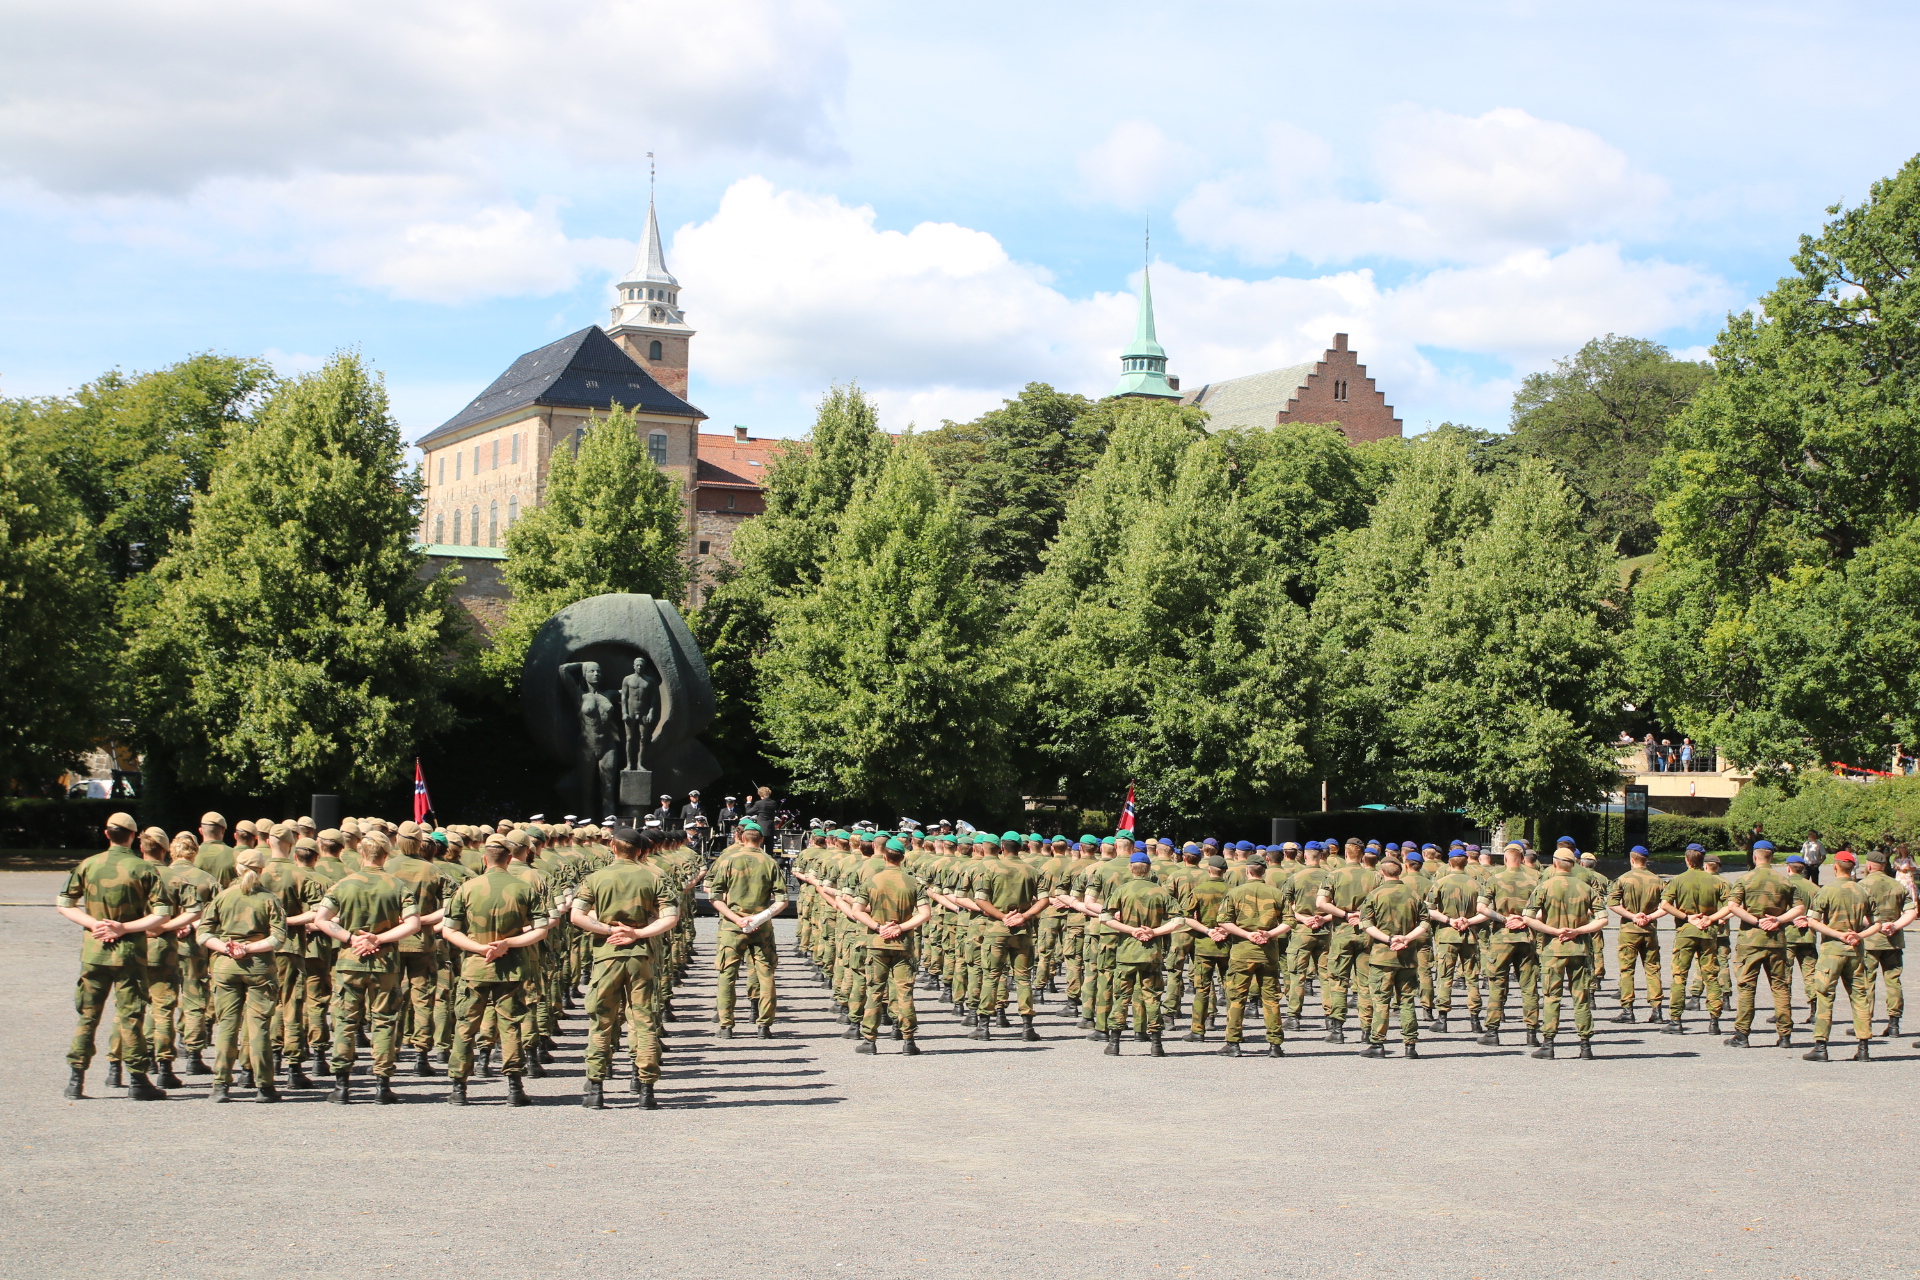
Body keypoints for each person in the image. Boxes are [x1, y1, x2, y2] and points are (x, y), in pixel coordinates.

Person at [56, 812, 177, 1101]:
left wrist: (94, 924)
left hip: (95, 952)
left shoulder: (88, 865)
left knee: (88, 1015)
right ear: (134, 836)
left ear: (106, 834)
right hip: (130, 955)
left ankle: (76, 1079)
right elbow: (162, 914)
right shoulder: (143, 869)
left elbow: (64, 904)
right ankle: (137, 1079)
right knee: (131, 1015)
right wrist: (124, 927)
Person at [571, 828, 679, 1110]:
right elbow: (671, 917)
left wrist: (608, 929)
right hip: (641, 956)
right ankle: (645, 1088)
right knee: (642, 1020)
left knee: (601, 1021)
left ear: (612, 847)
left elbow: (576, 915)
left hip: (606, 955)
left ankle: (595, 1087)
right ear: (640, 850)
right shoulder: (655, 876)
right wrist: (638, 934)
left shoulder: (595, 878)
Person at [312, 831, 421, 1104]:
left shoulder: (343, 885)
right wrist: (379, 939)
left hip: (350, 961)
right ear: (387, 854)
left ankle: (341, 1086)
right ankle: (382, 1086)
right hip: (385, 964)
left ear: (361, 853)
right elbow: (413, 924)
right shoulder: (397, 886)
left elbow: (321, 919)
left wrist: (351, 938)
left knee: (346, 1021)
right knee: (384, 1022)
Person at [441, 837, 550, 1106]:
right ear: (510, 859)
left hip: (475, 969)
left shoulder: (467, 888)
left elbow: (449, 930)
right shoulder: (524, 888)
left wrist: (478, 949)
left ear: (485, 859)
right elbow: (542, 929)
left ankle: (459, 1087)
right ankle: (514, 1087)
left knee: (466, 1026)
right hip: (511, 968)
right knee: (511, 1025)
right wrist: (508, 943)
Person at [197, 847, 287, 1102]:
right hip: (259, 967)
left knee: (227, 1024)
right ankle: (264, 1086)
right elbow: (278, 938)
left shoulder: (223, 897)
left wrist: (227, 947)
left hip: (225, 966)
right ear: (261, 871)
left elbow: (203, 934)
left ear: (237, 869)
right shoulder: (269, 899)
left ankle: (220, 1085)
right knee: (258, 1026)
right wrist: (249, 948)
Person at [846, 837, 933, 1053]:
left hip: (877, 943)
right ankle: (908, 1041)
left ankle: (870, 1040)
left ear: (884, 856)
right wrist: (901, 928)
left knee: (875, 990)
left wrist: (878, 927)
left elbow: (857, 911)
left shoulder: (871, 881)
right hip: (903, 945)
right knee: (904, 991)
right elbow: (925, 914)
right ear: (903, 858)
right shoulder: (914, 883)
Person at [1098, 849, 1185, 1055]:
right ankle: (1156, 1044)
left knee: (1121, 996)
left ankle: (1114, 1043)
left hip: (1127, 952)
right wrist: (1154, 932)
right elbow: (1179, 920)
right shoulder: (1160, 891)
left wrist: (1131, 930)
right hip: (1151, 953)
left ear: (1131, 868)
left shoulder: (1122, 890)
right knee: (1152, 997)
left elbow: (1104, 918)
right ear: (1148, 870)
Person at [708, 819, 786, 1039]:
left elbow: (714, 896)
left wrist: (737, 918)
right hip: (761, 928)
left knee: (727, 976)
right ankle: (764, 1026)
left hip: (732, 927)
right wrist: (758, 918)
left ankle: (726, 1026)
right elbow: (782, 900)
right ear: (761, 840)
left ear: (742, 838)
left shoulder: (728, 860)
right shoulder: (770, 862)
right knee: (766, 974)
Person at [1723, 840, 1805, 1048]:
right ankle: (1785, 1035)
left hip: (1750, 941)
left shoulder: (1745, 879)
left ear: (1754, 856)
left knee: (1747, 987)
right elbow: (1799, 909)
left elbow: (1733, 905)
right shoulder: (1784, 881)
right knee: (1780, 987)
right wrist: (1778, 920)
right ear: (1772, 857)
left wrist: (1756, 921)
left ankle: (1742, 1035)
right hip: (1776, 940)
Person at [1801, 849, 1876, 1061]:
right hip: (1855, 950)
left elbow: (1813, 921)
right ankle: (1863, 1048)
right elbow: (1877, 923)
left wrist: (1839, 935)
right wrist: (1858, 936)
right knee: (1860, 996)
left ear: (1835, 867)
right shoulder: (1863, 891)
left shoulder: (1826, 891)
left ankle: (1821, 1046)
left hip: (1832, 950)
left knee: (1825, 995)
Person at [972, 831, 1046, 1042]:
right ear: (1021, 848)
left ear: (1002, 848)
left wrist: (1004, 917)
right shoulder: (1032, 871)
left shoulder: (992, 869)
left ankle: (984, 1026)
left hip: (996, 931)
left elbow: (980, 900)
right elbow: (1044, 900)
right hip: (1022, 931)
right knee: (1023, 978)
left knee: (991, 976)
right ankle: (1027, 1027)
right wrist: (1024, 915)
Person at [1211, 857, 1287, 1057]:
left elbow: (1223, 921)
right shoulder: (1276, 893)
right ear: (1264, 872)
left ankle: (1233, 1043)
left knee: (1237, 998)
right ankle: (1275, 1044)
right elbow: (1290, 921)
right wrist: (1269, 934)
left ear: (1247, 871)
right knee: (1271, 999)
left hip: (1243, 952)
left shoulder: (1235, 893)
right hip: (1268, 952)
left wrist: (1246, 934)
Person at [1357, 857, 1428, 1058]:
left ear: (1381, 873)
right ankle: (1410, 1045)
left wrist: (1389, 939)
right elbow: (1425, 923)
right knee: (1407, 1000)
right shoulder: (1413, 894)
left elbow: (1366, 925)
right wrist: (1406, 938)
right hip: (1407, 957)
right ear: (1401, 872)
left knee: (1380, 1000)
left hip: (1382, 957)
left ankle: (1377, 1044)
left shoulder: (1374, 895)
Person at [1475, 842, 1541, 1048]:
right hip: (1526, 937)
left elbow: (1481, 908)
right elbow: (1543, 910)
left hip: (1501, 938)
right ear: (1522, 858)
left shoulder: (1494, 879)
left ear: (1505, 859)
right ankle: (1532, 1032)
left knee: (1497, 983)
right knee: (1529, 986)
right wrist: (1523, 919)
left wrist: (1503, 919)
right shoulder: (1535, 878)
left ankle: (1493, 1031)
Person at [1662, 845, 1730, 1035]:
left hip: (1686, 932)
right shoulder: (1716, 882)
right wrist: (1712, 918)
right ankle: (1714, 1021)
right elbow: (1730, 905)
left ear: (1687, 860)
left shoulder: (1678, 880)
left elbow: (1665, 904)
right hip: (1708, 931)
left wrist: (1686, 917)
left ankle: (1675, 1020)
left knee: (1679, 975)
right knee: (1711, 975)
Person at [1856, 848, 1916, 1037]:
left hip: (1870, 940)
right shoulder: (1898, 886)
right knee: (1893, 981)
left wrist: (1876, 925)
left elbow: (1858, 915)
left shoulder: (1862, 885)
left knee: (1867, 981)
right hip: (1893, 940)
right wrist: (1895, 926)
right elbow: (1911, 912)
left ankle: (1865, 1024)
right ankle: (1894, 1024)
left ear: (1870, 865)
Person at [1424, 846, 1483, 1034]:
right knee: (1472, 977)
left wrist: (1449, 920)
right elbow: (1486, 911)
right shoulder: (1477, 884)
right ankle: (1475, 1019)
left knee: (1445, 976)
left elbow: (1429, 910)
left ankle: (1442, 1018)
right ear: (1466, 864)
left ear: (1449, 863)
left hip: (1447, 935)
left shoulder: (1440, 883)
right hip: (1470, 935)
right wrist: (1468, 921)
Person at [1608, 846, 1667, 1023]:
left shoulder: (1623, 879)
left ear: (1632, 860)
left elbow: (1613, 904)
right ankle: (1657, 1010)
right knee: (1653, 969)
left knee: (1627, 970)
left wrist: (1633, 916)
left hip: (1629, 930)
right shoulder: (1658, 880)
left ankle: (1628, 1010)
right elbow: (1666, 906)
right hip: (1649, 930)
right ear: (1646, 860)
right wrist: (1648, 917)